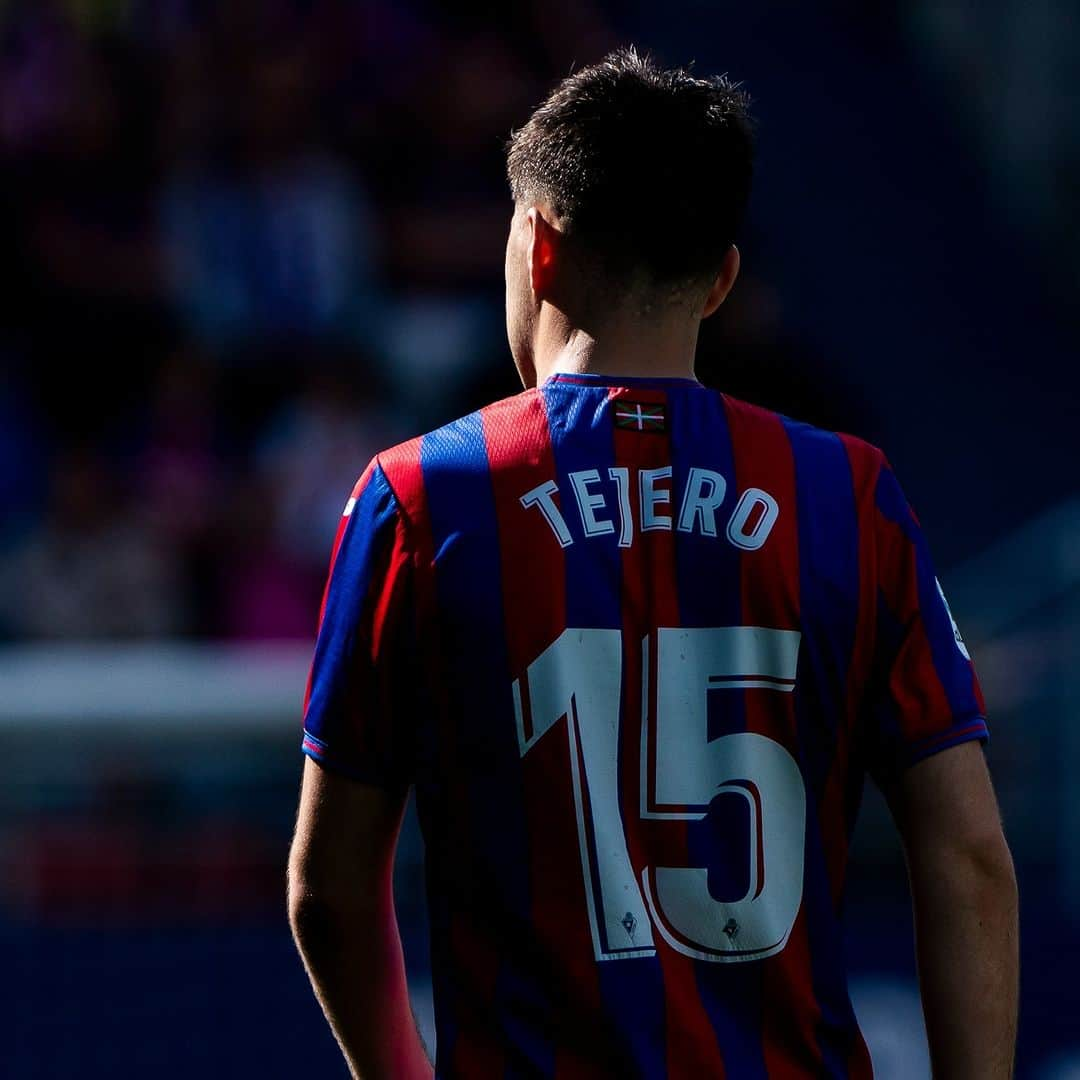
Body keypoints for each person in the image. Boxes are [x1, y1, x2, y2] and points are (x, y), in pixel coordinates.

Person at [287, 48, 1018, 1079]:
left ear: (536, 249)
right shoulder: (845, 495)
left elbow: (331, 887)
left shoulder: (419, 497)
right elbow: (972, 859)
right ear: (721, 277)